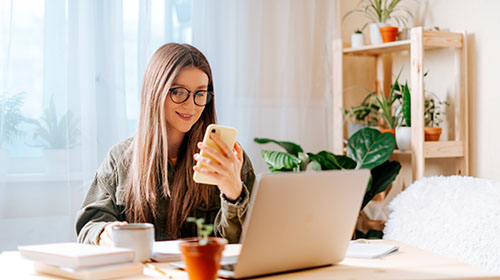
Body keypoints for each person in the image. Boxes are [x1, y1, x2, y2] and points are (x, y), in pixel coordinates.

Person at [76, 43, 255, 245]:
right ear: (156, 92)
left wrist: (233, 195)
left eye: (200, 93)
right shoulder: (121, 158)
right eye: (178, 92)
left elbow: (245, 243)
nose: (190, 105)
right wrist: (104, 232)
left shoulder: (228, 160)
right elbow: (89, 225)